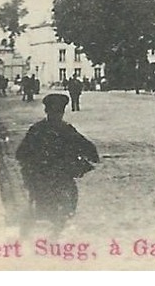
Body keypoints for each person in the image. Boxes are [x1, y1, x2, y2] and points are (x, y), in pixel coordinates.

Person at [14, 92, 99, 236]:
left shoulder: (36, 129)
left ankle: (34, 235)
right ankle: (54, 233)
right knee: (67, 206)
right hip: (61, 179)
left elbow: (20, 153)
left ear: (46, 111)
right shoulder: (66, 130)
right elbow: (89, 148)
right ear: (62, 112)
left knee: (41, 208)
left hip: (39, 180)